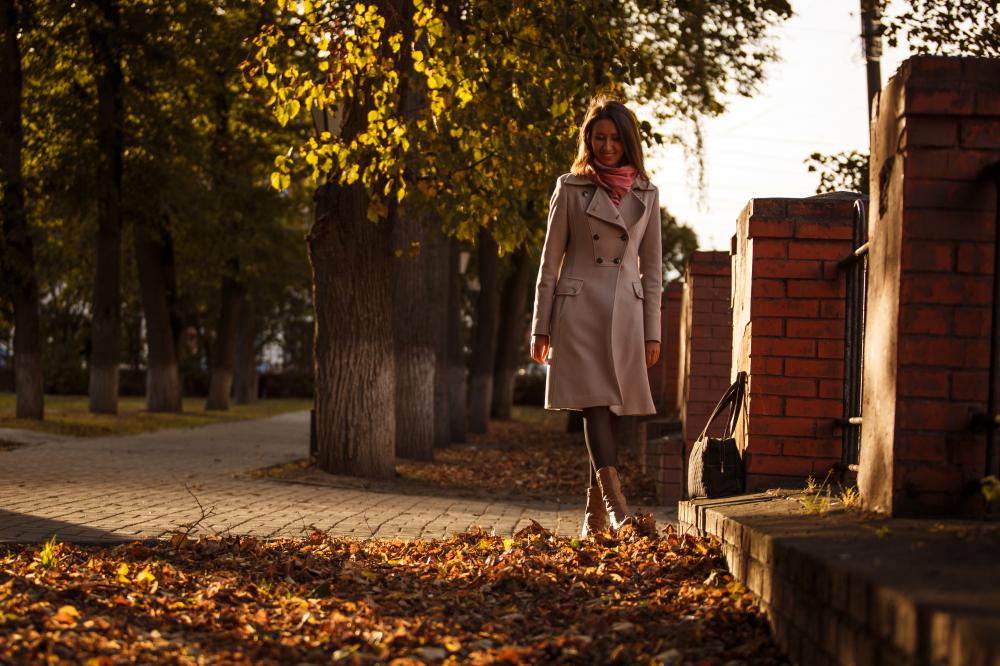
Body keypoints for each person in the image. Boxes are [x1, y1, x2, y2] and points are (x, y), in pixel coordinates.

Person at [530, 96, 662, 537]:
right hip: (580, 311)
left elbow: (653, 269)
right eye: (599, 138)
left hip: (626, 313)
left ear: (628, 143)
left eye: (615, 139)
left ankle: (594, 518)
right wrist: (540, 326)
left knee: (613, 408)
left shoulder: (647, 193)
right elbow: (550, 262)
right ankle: (618, 508)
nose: (607, 147)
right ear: (588, 140)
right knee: (595, 404)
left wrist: (653, 331)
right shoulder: (570, 188)